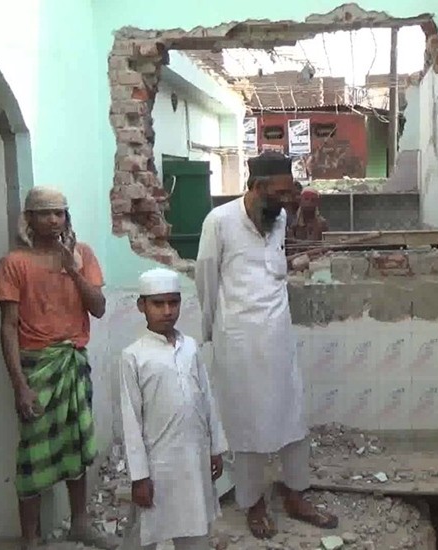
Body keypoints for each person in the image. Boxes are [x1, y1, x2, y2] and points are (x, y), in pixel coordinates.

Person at [195, 151, 338, 539]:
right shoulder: (219, 222)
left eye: (290, 192)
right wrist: (211, 334)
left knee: (292, 418)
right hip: (239, 341)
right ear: (257, 187)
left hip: (278, 337)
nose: (289, 200)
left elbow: (272, 268)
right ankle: (253, 503)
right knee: (247, 425)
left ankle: (295, 495)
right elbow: (206, 281)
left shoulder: (279, 219)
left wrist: (300, 262)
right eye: (281, 193)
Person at [0, 186, 115, 550]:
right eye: (44, 213)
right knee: (32, 456)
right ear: (29, 219)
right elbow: (8, 326)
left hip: (73, 363)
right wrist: (20, 385)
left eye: (59, 213)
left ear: (66, 217)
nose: (53, 220)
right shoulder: (14, 262)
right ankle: (30, 539)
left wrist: (73, 270)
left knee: (77, 444)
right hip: (38, 368)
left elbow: (99, 308)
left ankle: (79, 524)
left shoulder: (83, 254)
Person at [118, 268, 227, 550]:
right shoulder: (134, 356)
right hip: (158, 464)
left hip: (194, 457)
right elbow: (131, 419)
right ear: (142, 306)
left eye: (173, 302)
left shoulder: (190, 347)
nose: (167, 311)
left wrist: (216, 448)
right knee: (147, 529)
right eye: (158, 303)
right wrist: (139, 476)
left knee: (194, 523)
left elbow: (207, 397)